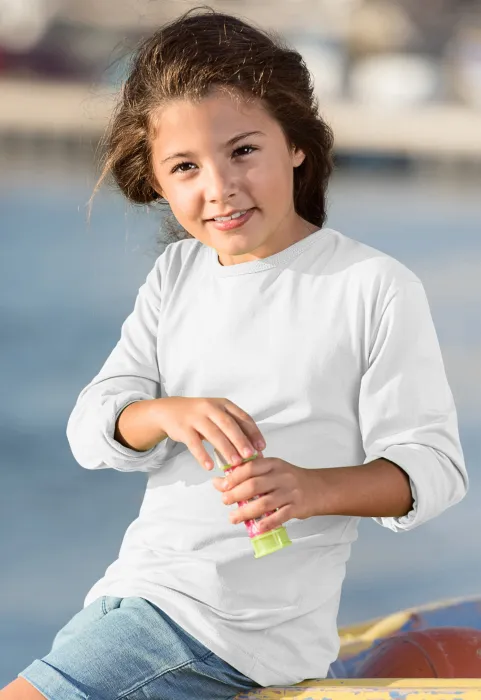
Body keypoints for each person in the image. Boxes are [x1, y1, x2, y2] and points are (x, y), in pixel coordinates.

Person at [2, 7, 468, 700]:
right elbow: (90, 430)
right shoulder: (176, 275)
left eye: (243, 151)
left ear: (296, 143)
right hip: (139, 602)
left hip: (225, 634)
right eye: (185, 167)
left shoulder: (370, 286)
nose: (218, 187)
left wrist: (312, 489)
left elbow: (433, 469)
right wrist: (165, 413)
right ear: (157, 181)